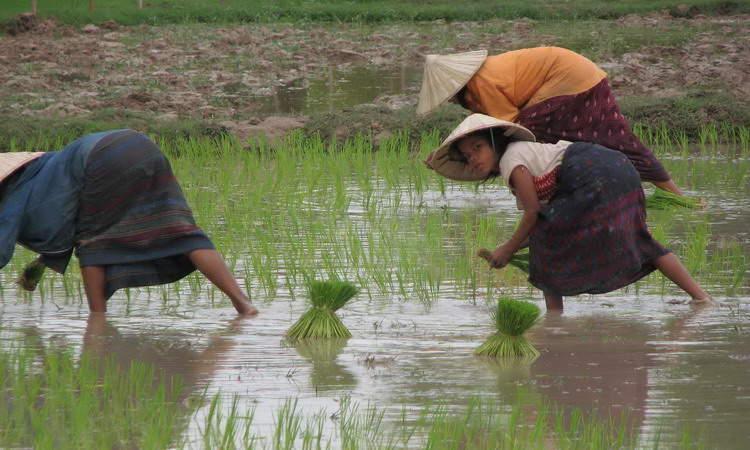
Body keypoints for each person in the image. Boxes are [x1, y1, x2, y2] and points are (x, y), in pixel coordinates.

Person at [423, 113, 712, 311]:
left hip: (589, 171)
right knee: (641, 239)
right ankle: (701, 299)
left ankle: (554, 319)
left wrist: (509, 249)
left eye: (478, 148)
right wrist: (507, 248)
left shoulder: (512, 159)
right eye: (468, 156)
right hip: (620, 168)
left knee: (546, 244)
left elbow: (534, 214)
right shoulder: (529, 157)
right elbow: (540, 220)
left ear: (497, 143)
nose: (474, 158)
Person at [0, 129, 257, 315]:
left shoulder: (16, 196)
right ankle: (243, 304)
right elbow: (66, 220)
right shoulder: (47, 168)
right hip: (140, 145)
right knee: (183, 232)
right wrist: (41, 266)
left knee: (93, 246)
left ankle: (97, 322)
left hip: (103, 159)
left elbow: (9, 245)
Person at [416, 46, 682, 195]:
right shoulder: (474, 86)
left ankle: (551, 193)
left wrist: (452, 155)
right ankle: (671, 193)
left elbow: (505, 129)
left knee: (532, 136)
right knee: (616, 141)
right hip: (580, 74)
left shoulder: (479, 84)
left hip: (568, 79)